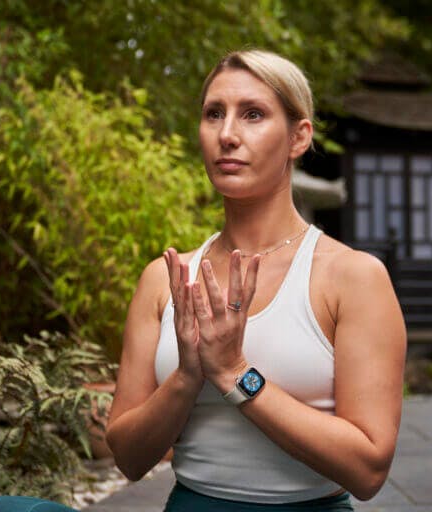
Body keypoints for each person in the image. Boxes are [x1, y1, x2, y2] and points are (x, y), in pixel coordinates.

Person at [105, 49, 406, 511]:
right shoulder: (165, 280)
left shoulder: (351, 278)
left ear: (298, 137)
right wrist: (187, 376)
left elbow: (368, 471)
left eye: (253, 114)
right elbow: (127, 458)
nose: (227, 135)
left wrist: (235, 373)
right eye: (213, 114)